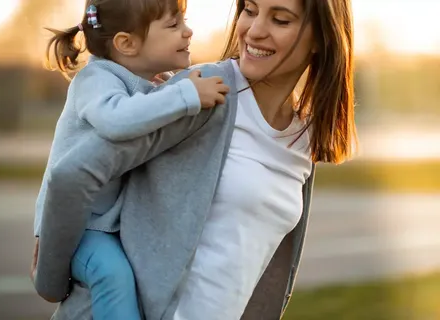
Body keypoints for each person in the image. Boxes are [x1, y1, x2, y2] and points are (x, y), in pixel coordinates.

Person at [33, 0, 357, 319]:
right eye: (250, 10)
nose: (255, 30)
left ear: (322, 37)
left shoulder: (303, 135)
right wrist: (50, 280)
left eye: (281, 20)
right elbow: (73, 174)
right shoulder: (201, 92)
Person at [33, 0, 229, 319]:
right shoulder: (95, 80)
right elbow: (118, 121)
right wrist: (185, 96)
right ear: (127, 43)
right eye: (173, 25)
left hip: (104, 223)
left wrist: (170, 93)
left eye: (185, 21)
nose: (188, 31)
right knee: (113, 275)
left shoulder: (151, 82)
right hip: (78, 228)